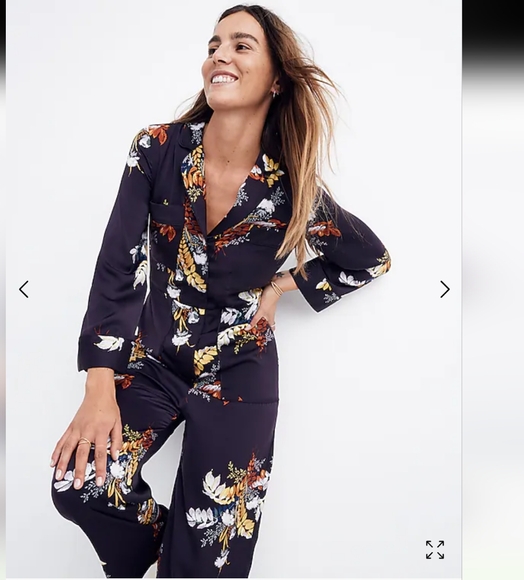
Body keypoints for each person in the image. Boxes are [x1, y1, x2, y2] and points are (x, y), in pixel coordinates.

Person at [49, 4, 392, 578]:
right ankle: (167, 544)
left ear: (276, 79)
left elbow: (370, 258)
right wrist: (98, 386)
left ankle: (194, 559)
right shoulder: (157, 149)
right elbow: (117, 267)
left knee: (208, 563)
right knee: (79, 483)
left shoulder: (291, 187)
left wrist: (283, 285)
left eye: (240, 45)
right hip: (157, 360)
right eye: (213, 45)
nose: (219, 56)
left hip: (241, 372)